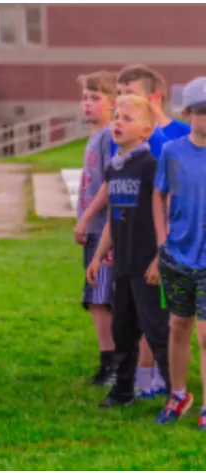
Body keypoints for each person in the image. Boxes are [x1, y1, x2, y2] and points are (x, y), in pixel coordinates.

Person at [86, 94, 170, 410]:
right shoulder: (115, 168)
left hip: (148, 266)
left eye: (128, 118)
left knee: (158, 331)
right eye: (116, 117)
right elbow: (112, 217)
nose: (118, 122)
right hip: (122, 264)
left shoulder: (151, 167)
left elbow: (166, 215)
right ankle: (123, 391)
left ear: (147, 131)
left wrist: (159, 260)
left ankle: (176, 393)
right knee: (122, 331)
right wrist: (97, 257)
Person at [113, 65, 191, 398]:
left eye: (129, 94)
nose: (122, 102)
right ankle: (145, 378)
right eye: (119, 95)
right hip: (135, 243)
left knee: (166, 319)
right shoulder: (123, 144)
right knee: (141, 317)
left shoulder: (175, 138)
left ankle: (170, 382)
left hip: (173, 241)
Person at [154, 77, 206, 429]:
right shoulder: (172, 152)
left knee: (205, 334)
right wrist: (162, 241)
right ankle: (179, 394)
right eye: (203, 112)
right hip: (178, 255)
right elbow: (158, 195)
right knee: (178, 326)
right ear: (188, 113)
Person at [72, 71, 117, 387]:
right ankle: (108, 362)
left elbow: (111, 185)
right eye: (85, 98)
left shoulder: (109, 139)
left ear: (113, 103)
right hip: (92, 232)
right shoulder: (94, 136)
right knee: (95, 299)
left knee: (102, 297)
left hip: (105, 232)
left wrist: (88, 218)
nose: (88, 104)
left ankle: (113, 363)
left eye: (95, 98)